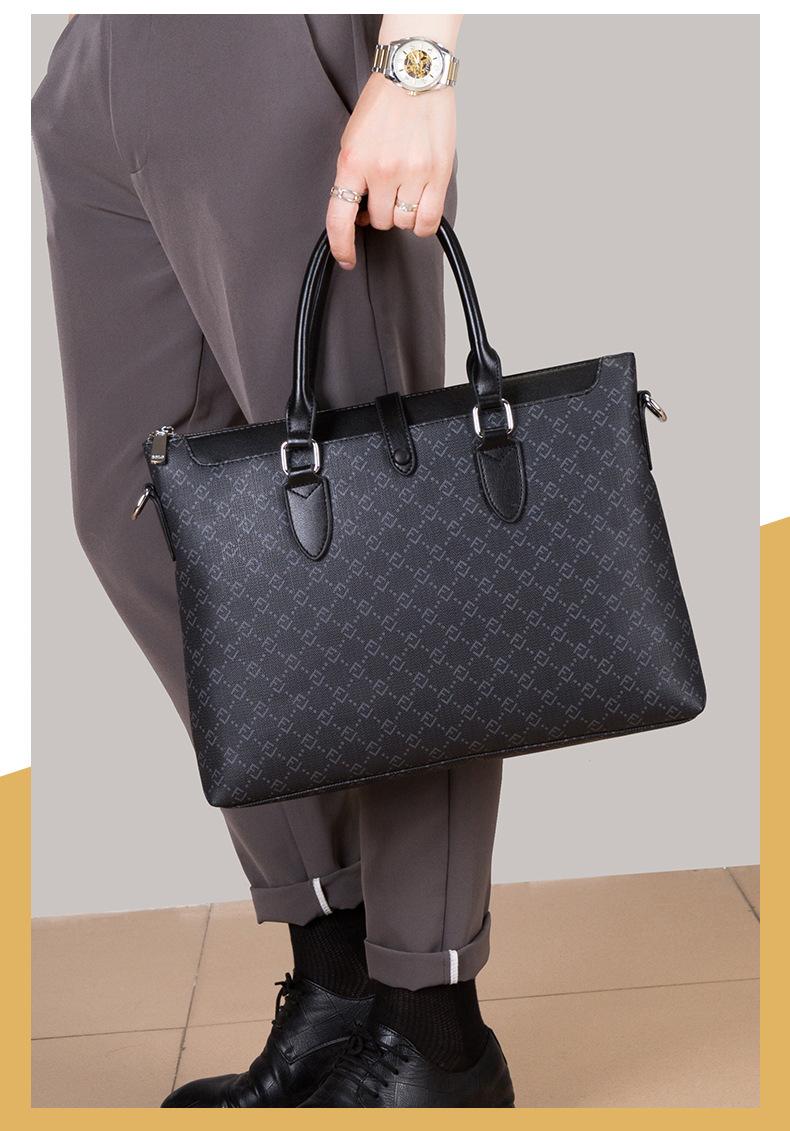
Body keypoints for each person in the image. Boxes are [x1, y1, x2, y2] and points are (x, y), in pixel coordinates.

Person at [32, 14, 514, 1108]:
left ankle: (433, 1027)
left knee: (382, 538)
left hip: (269, 44)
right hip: (103, 56)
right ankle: (338, 969)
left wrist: (418, 63)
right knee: (144, 517)